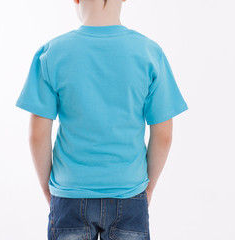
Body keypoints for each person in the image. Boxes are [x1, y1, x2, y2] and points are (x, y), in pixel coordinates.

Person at [15, 0, 188, 239]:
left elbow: (37, 135)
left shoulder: (51, 53)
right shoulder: (149, 53)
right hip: (129, 192)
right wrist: (147, 189)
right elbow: (164, 135)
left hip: (69, 192)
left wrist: (49, 190)